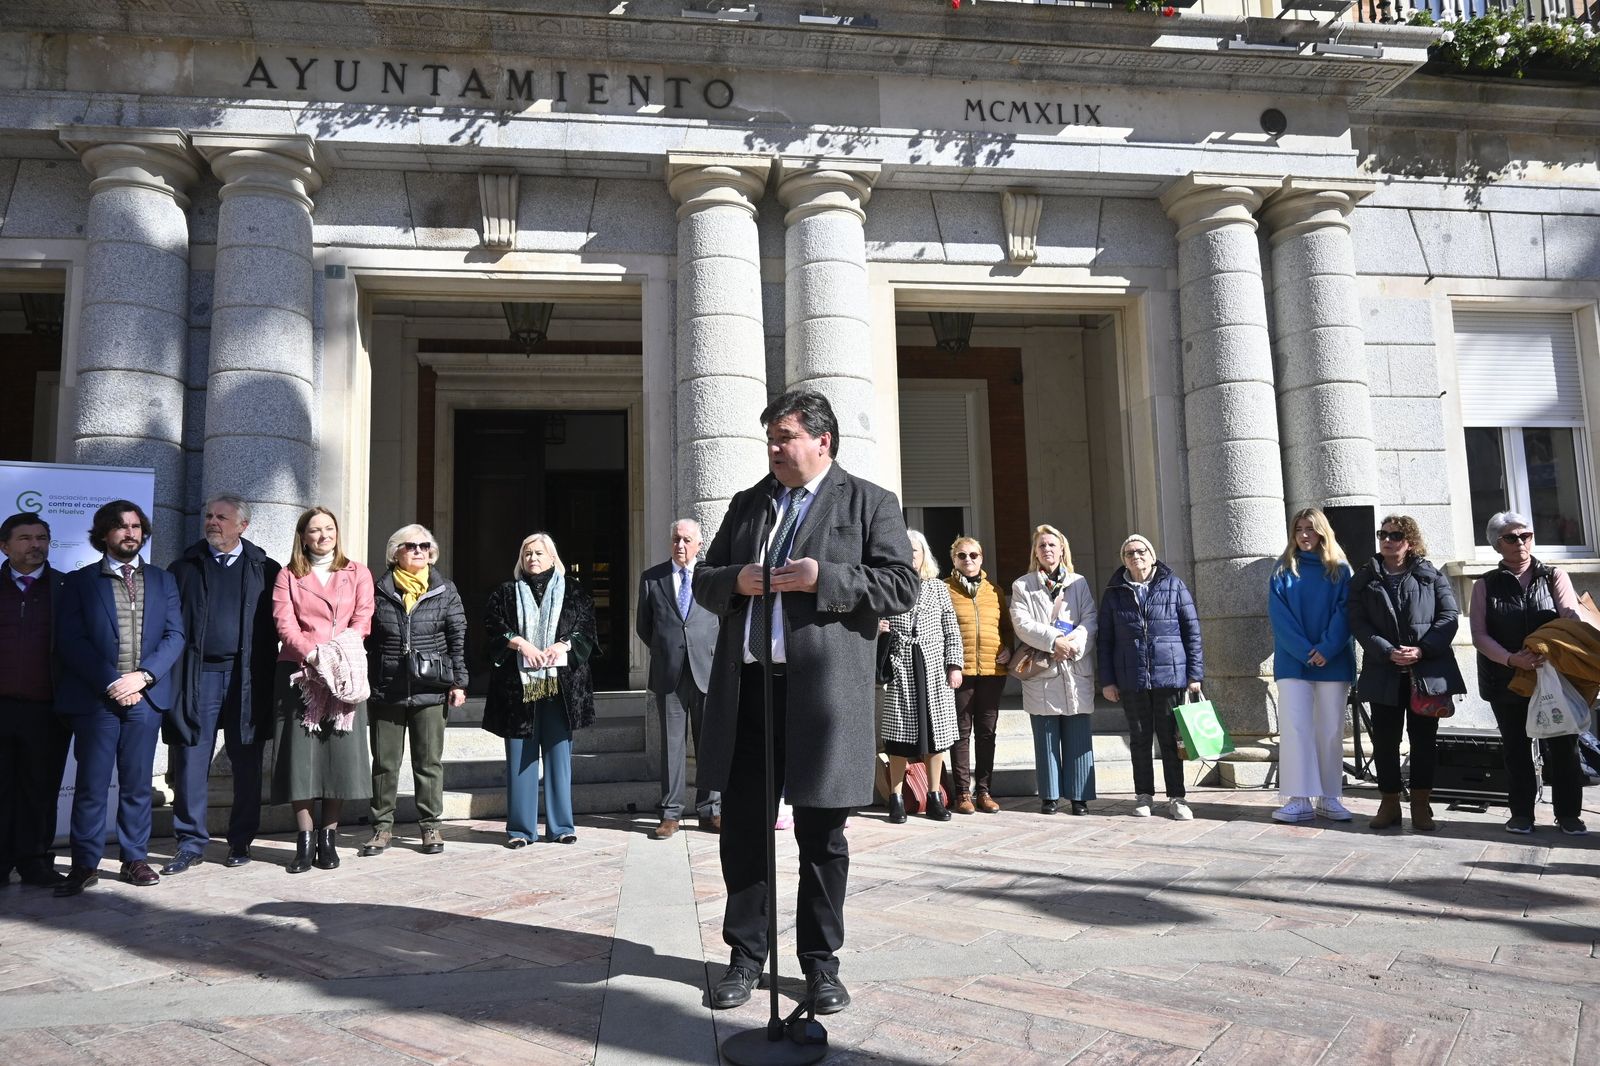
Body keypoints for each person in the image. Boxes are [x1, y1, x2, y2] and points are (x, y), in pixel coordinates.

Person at [693, 388, 916, 1016]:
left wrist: (827, 579)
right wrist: (734, 581)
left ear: (823, 441)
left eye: (784, 437)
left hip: (823, 697)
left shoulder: (870, 501)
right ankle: (745, 958)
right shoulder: (749, 505)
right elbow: (705, 580)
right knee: (744, 831)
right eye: (770, 438)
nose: (773, 448)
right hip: (750, 692)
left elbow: (903, 585)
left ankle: (820, 965)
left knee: (822, 835)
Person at [52, 501, 185, 896]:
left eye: (136, 526)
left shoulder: (163, 580)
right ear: (104, 534)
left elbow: (175, 635)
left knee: (137, 784)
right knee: (91, 785)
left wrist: (143, 677)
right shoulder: (80, 582)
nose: (130, 533)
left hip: (146, 697)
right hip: (96, 699)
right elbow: (70, 641)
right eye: (121, 526)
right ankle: (85, 864)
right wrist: (113, 682)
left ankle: (134, 859)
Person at [164, 494, 282, 873]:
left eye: (222, 517)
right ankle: (190, 843)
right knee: (190, 760)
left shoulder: (266, 569)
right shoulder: (183, 567)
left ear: (243, 526)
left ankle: (241, 840)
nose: (212, 522)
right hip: (197, 677)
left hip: (247, 678)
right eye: (209, 516)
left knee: (246, 762)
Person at [270, 507, 375, 872]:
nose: (323, 535)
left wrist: (336, 654)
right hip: (301, 673)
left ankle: (328, 839)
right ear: (303, 537)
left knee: (337, 756)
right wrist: (314, 654)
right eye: (315, 530)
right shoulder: (288, 575)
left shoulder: (357, 572)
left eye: (329, 528)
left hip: (345, 671)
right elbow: (284, 623)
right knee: (301, 758)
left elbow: (363, 617)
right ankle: (304, 840)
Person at [1469, 512, 1586, 836]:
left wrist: (1549, 650)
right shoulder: (1485, 584)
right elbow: (1479, 635)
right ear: (1497, 544)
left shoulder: (1554, 576)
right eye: (1511, 537)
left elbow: (1571, 620)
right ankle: (1521, 814)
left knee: (1564, 747)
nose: (1520, 542)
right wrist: (1511, 660)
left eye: (1526, 536)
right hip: (1506, 678)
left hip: (1553, 676)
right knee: (1516, 749)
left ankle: (1569, 815)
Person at [1347, 514, 1466, 832]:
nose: (1387, 540)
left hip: (1425, 672)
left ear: (1409, 541)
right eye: (1383, 534)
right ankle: (1389, 804)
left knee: (1423, 742)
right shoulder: (1365, 577)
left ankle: (1421, 805)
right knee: (1385, 742)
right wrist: (1387, 651)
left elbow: (1449, 616)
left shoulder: (1430, 575)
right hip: (1383, 671)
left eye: (1396, 535)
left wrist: (1421, 650)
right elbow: (1357, 620)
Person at [482, 532, 597, 847]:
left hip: (562, 689)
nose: (532, 558)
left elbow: (586, 627)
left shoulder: (574, 591)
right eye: (527, 553)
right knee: (521, 760)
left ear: (552, 557)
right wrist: (520, 644)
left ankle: (562, 827)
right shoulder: (506, 593)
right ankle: (520, 830)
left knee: (559, 759)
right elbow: (492, 625)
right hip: (517, 690)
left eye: (539, 553)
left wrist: (564, 644)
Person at [361, 525, 468, 857]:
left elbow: (457, 637)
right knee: (385, 764)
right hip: (387, 688)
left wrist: (459, 681)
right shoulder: (377, 590)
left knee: (428, 762)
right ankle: (382, 828)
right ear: (395, 552)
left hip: (431, 687)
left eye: (425, 546)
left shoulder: (445, 590)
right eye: (411, 546)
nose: (419, 550)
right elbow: (365, 637)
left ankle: (430, 826)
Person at [1097, 534, 1202, 821]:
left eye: (1141, 551)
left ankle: (1177, 797)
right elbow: (1105, 640)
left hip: (1170, 676)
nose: (1136, 556)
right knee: (1140, 738)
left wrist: (1194, 674)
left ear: (1152, 555)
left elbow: (1192, 631)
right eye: (1129, 553)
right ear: (1124, 560)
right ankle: (1143, 795)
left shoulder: (1173, 585)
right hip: (1131, 678)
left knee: (1170, 739)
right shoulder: (1114, 592)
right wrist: (1107, 681)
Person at [1267, 508, 1356, 824]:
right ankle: (1299, 798)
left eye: (1310, 528)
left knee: (1330, 730)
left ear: (1322, 532)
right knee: (1296, 729)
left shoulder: (1341, 570)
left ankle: (1330, 797)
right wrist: (1307, 652)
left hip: (1334, 662)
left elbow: (1346, 613)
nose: (1304, 535)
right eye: (1299, 529)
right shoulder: (1283, 570)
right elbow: (1280, 618)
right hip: (1294, 663)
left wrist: (1327, 649)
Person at [636, 518, 720, 840]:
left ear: (699, 544)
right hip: (668, 673)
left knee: (708, 742)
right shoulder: (652, 578)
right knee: (672, 745)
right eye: (675, 539)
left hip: (706, 670)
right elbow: (644, 626)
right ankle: (670, 814)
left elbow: (723, 620)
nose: (680, 545)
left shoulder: (711, 577)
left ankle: (710, 810)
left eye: (686, 540)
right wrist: (667, 650)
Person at [0, 513, 71, 887]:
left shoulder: (66, 588)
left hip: (47, 709)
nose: (35, 545)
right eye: (25, 538)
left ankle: (34, 862)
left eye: (41, 538)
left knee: (40, 790)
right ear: (4, 546)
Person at [1011, 525, 1098, 815]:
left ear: (1062, 550)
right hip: (1043, 670)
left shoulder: (1079, 583)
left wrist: (1072, 644)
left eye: (1052, 545)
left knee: (1078, 733)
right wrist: (1054, 641)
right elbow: (1022, 623)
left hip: (1074, 665)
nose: (1047, 549)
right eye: (1042, 546)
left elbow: (1090, 618)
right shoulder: (1022, 585)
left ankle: (1079, 796)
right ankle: (1049, 796)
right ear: (1035, 553)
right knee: (1046, 735)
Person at [878, 529, 964, 823]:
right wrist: (878, 630)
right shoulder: (889, 585)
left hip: (933, 668)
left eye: (914, 550)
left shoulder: (938, 588)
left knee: (936, 737)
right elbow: (875, 620)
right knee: (898, 738)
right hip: (901, 666)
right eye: (905, 549)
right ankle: (896, 797)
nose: (910, 555)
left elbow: (951, 628)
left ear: (924, 554)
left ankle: (934, 795)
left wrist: (954, 665)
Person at [944, 535, 1012, 814]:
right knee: (961, 733)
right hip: (960, 672)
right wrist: (950, 664)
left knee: (987, 733)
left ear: (982, 558)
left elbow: (1006, 627)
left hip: (992, 671)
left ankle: (984, 791)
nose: (968, 560)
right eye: (962, 555)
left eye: (973, 555)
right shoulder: (944, 589)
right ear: (954, 560)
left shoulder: (994, 591)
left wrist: (1008, 648)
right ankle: (962, 793)